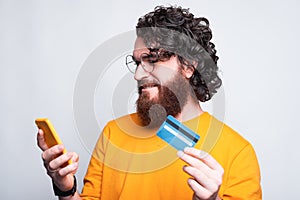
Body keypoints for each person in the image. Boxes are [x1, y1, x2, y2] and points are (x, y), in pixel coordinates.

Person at [37, 5, 262, 200]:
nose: (137, 75)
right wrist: (65, 188)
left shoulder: (238, 153)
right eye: (137, 62)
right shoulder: (113, 133)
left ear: (188, 66)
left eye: (152, 60)